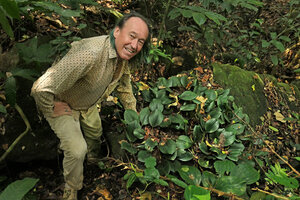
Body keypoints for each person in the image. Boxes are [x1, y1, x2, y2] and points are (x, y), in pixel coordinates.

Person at [31, 12, 150, 200]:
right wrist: (50, 107)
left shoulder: (122, 56)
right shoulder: (90, 53)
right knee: (78, 150)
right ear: (117, 31)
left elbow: (125, 87)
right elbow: (40, 87)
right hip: (64, 104)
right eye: (132, 36)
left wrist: (134, 119)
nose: (135, 45)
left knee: (95, 133)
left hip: (88, 104)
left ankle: (94, 163)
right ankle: (72, 188)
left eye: (141, 41)